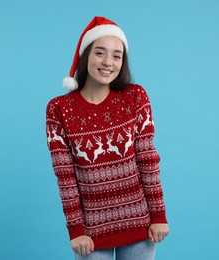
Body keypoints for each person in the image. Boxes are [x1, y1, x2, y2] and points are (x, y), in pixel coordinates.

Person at [45, 16, 169, 260]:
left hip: (139, 225)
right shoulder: (58, 109)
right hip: (90, 235)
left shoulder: (135, 97)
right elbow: (65, 175)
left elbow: (147, 159)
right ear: (86, 56)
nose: (108, 62)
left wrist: (158, 216)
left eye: (116, 56)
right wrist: (76, 230)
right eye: (100, 53)